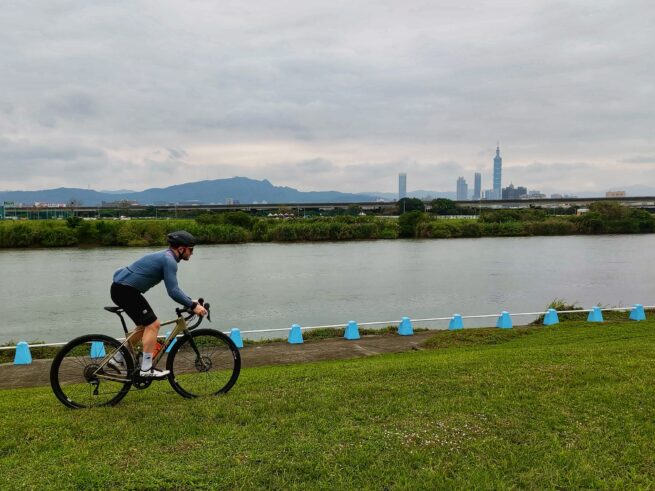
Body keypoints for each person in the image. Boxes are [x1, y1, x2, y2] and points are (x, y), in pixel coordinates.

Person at [110, 230, 207, 378]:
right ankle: (146, 369)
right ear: (181, 249)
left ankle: (118, 357)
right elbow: (173, 291)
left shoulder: (165, 256)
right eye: (190, 249)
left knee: (144, 326)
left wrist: (189, 301)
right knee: (154, 324)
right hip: (126, 290)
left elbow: (175, 289)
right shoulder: (169, 261)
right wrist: (194, 306)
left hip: (121, 288)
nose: (192, 253)